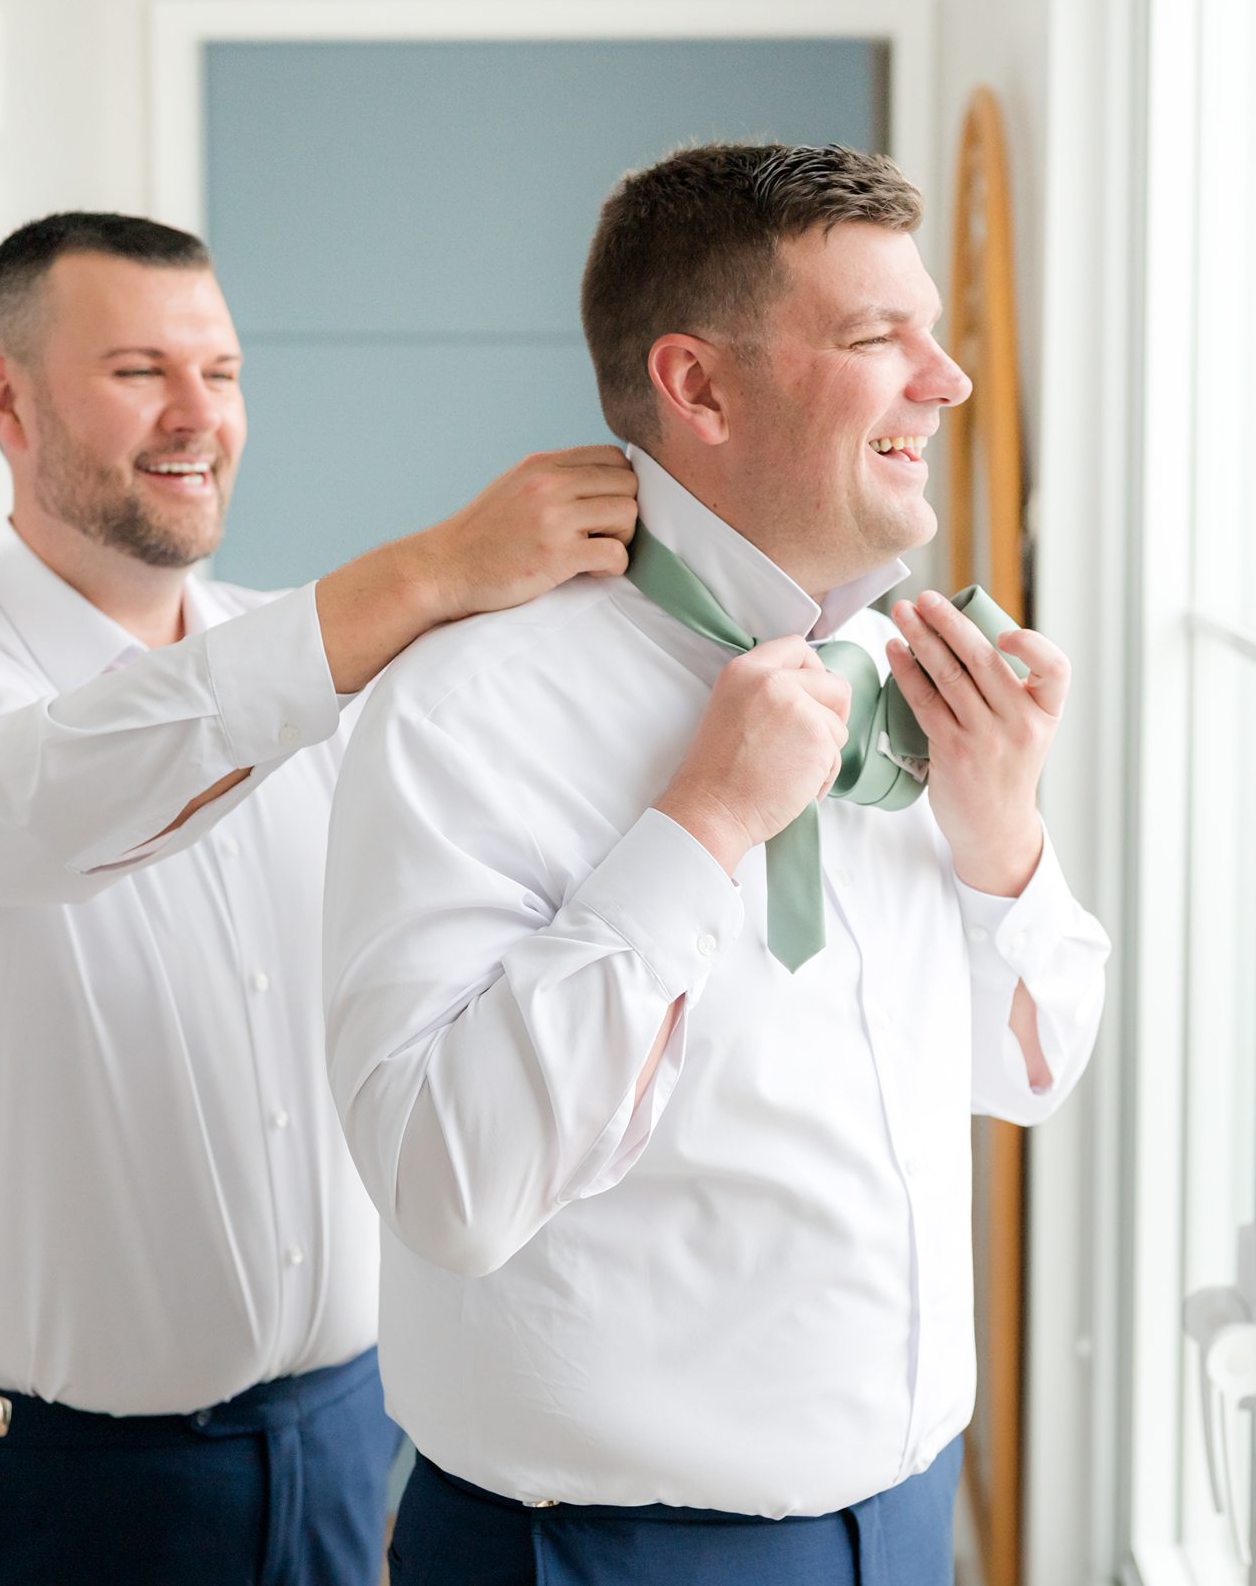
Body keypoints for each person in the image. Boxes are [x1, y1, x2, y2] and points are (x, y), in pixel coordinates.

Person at [0, 211, 638, 1586]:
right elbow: (51, 797)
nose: (200, 416)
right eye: (140, 372)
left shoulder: (323, 673)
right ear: (5, 400)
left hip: (345, 1444)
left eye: (224, 373)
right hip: (49, 1499)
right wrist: (425, 575)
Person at [322, 145, 1113, 1584]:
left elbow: (1034, 1074)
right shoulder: (467, 710)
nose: (948, 382)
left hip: (907, 1524)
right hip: (603, 1554)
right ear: (697, 388)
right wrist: (699, 830)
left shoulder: (906, 680)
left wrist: (1003, 836)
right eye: (881, 341)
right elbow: (447, 1183)